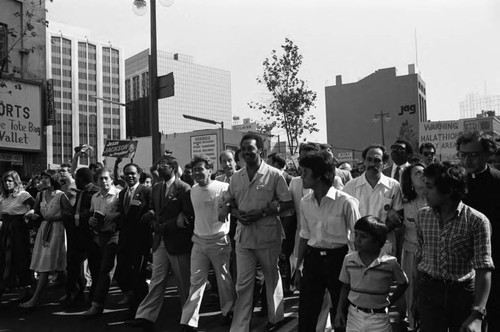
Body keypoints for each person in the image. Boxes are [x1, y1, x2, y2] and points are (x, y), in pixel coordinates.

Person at [416, 163, 494, 332]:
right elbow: (420, 256)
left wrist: (477, 314)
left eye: (429, 187)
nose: (424, 192)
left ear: (449, 190)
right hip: (429, 291)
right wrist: (417, 297)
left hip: (462, 294)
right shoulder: (422, 216)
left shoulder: (477, 221)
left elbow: (484, 268)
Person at [227, 133, 293, 332]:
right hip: (243, 238)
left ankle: (276, 318)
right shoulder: (235, 177)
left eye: (251, 148)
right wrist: (236, 212)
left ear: (261, 151)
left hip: (268, 237)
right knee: (243, 284)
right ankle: (240, 327)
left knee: (271, 278)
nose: (247, 152)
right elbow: (229, 201)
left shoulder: (274, 174)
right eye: (244, 149)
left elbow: (287, 204)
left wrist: (264, 211)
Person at [293, 151, 361, 331]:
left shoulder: (346, 202)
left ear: (320, 174)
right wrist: (298, 267)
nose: (302, 176)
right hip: (313, 260)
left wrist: (356, 271)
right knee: (307, 312)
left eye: (305, 171)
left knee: (342, 312)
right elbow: (304, 235)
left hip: (339, 260)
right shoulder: (305, 202)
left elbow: (357, 239)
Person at [126, 155, 194, 331]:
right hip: (159, 241)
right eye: (158, 165)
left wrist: (164, 226)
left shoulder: (184, 188)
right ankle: (145, 316)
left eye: (163, 165)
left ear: (173, 167)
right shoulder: (156, 188)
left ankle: (188, 319)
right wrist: (150, 217)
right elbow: (154, 209)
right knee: (156, 280)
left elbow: (187, 216)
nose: (159, 168)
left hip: (177, 241)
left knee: (183, 282)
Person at [179, 155, 235, 331]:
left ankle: (228, 312)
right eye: (195, 170)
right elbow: (187, 210)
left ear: (210, 170)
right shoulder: (192, 191)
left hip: (219, 242)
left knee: (223, 280)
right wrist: (181, 214)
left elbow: (235, 201)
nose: (197, 173)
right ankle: (189, 321)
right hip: (199, 242)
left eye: (201, 169)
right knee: (196, 281)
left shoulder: (224, 187)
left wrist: (227, 206)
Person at [456, 131, 500, 330]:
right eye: (463, 154)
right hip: (462, 263)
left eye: (473, 154)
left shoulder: (497, 181)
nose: (467, 160)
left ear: (488, 154)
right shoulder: (455, 183)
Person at [334, 216, 408, 332]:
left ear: (377, 241)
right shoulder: (349, 260)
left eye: (363, 237)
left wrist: (390, 302)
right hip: (354, 316)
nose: (357, 240)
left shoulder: (390, 263)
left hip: (379, 319)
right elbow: (345, 287)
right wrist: (339, 311)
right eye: (356, 234)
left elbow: (404, 283)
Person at [21, 170, 72, 309]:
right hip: (44, 230)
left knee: (52, 264)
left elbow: (69, 214)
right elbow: (36, 211)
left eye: (46, 178)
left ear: (53, 179)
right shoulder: (40, 194)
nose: (43, 180)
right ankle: (74, 290)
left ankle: (36, 298)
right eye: (42, 178)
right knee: (54, 264)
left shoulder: (61, 196)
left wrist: (55, 217)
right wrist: (31, 214)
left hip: (57, 230)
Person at [343, 144, 403, 256]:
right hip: (357, 244)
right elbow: (344, 216)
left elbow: (398, 215)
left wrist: (379, 232)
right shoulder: (350, 186)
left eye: (377, 160)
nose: (372, 164)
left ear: (384, 163)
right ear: (364, 161)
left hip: (384, 244)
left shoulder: (393, 186)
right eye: (369, 160)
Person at [115, 163, 152, 319]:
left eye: (132, 173)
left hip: (140, 241)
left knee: (138, 276)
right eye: (127, 174)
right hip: (124, 240)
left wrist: (150, 213)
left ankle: (140, 311)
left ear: (139, 174)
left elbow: (152, 209)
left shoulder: (146, 191)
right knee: (121, 273)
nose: (129, 176)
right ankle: (133, 300)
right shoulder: (123, 193)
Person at [83, 168, 122, 316]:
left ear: (112, 180)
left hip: (115, 234)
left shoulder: (119, 194)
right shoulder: (95, 197)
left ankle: (97, 305)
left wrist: (114, 215)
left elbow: (125, 213)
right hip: (100, 236)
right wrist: (91, 220)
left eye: (106, 178)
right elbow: (93, 213)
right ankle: (131, 295)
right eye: (100, 179)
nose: (104, 181)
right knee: (111, 269)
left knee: (106, 269)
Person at [61, 167, 100, 308]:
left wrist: (77, 217)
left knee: (95, 268)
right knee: (72, 265)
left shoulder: (96, 193)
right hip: (77, 236)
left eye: (76, 177)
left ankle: (94, 297)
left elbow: (92, 212)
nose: (74, 180)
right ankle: (75, 294)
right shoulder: (80, 193)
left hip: (90, 235)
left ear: (82, 179)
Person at [0, 171, 35, 300]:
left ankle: (26, 289)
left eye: (10, 181)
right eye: (5, 181)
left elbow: (35, 205)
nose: (7, 183)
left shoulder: (23, 195)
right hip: (5, 229)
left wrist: (30, 213)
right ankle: (6, 285)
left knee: (21, 258)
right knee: (5, 258)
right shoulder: (3, 197)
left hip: (18, 229)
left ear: (16, 182)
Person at [400, 163, 427, 330]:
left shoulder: (436, 199)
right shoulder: (404, 204)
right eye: (417, 173)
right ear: (409, 180)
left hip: (432, 253)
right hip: (411, 252)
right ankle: (412, 324)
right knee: (411, 291)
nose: (422, 174)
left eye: (424, 171)